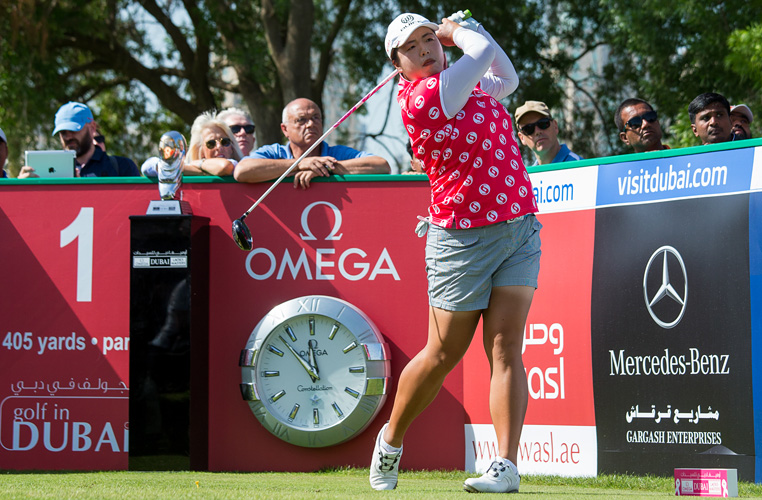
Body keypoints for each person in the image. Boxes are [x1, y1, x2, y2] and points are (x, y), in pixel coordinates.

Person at [370, 13, 541, 494]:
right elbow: (481, 55)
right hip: (461, 241)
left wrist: (474, 29)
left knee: (505, 347)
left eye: (430, 38)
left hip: (518, 228)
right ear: (398, 65)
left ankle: (505, 466)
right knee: (442, 354)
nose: (426, 48)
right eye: (412, 46)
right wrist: (456, 32)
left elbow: (506, 76)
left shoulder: (469, 84)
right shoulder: (424, 97)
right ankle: (391, 441)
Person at [234, 98, 390, 189]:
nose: (310, 124)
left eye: (316, 118)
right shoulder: (274, 153)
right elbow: (242, 171)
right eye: (301, 120)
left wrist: (325, 168)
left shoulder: (336, 154)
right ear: (285, 129)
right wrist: (300, 164)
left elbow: (382, 165)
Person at [19, 102, 139, 178]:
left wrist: (79, 190)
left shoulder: (122, 167)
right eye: (63, 132)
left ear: (92, 128)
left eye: (74, 130)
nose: (68, 137)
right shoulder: (47, 172)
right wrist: (22, 189)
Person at [515, 100, 582, 165]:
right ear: (522, 138)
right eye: (528, 129)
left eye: (543, 123)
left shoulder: (579, 167)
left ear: (555, 126)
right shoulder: (528, 173)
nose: (537, 131)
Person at [182, 111, 243, 176]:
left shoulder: (239, 165)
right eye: (211, 143)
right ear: (201, 151)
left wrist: (198, 163)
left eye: (224, 142)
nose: (219, 147)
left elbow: (225, 167)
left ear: (231, 148)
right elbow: (178, 170)